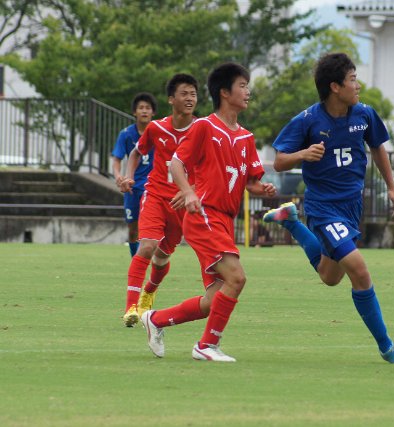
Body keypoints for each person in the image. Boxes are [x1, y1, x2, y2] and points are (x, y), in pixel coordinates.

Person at [262, 52, 394, 365]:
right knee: (359, 270)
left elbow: (378, 148)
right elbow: (278, 161)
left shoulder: (365, 114)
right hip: (323, 208)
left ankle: (291, 222)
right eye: (352, 79)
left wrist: (392, 188)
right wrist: (303, 154)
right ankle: (387, 347)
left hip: (351, 207)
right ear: (335, 87)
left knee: (330, 277)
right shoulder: (308, 119)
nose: (357, 85)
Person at [140, 62, 276, 362]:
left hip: (224, 221)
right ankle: (206, 345)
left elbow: (250, 182)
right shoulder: (204, 126)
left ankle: (156, 319)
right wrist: (188, 192)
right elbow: (177, 164)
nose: (248, 91)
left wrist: (262, 189)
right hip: (204, 216)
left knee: (213, 299)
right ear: (225, 92)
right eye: (242, 85)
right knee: (237, 278)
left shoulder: (246, 138)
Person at [118, 73, 199, 327]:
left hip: (181, 204)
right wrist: (129, 176)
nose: (190, 98)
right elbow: (136, 153)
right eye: (184, 94)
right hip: (154, 195)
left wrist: (189, 190)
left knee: (162, 257)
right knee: (147, 246)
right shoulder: (157, 128)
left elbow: (210, 168)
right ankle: (131, 308)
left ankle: (149, 291)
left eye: (193, 94)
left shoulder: (203, 130)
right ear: (171, 99)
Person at [112, 92, 158, 257]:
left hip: (154, 188)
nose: (144, 111)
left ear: (153, 112)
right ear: (134, 112)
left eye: (148, 108)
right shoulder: (126, 134)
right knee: (133, 229)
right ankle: (135, 261)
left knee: (153, 231)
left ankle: (153, 263)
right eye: (141, 108)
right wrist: (118, 175)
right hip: (133, 187)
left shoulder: (160, 132)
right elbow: (117, 159)